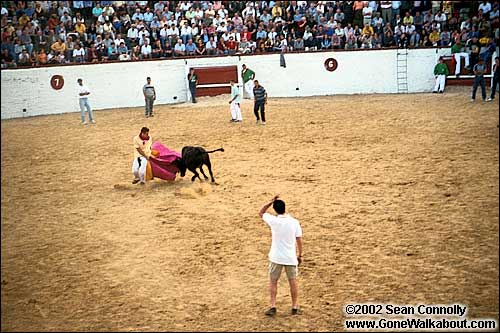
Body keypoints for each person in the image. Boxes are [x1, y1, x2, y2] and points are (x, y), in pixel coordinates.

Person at [259, 195, 303, 316]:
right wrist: (300, 255)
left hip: (276, 257)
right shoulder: (294, 222)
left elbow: (261, 212)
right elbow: (299, 239)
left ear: (275, 210)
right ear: (285, 208)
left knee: (273, 281)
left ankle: (273, 306)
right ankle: (294, 306)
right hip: (290, 257)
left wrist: (270, 202)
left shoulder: (274, 221)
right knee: (293, 282)